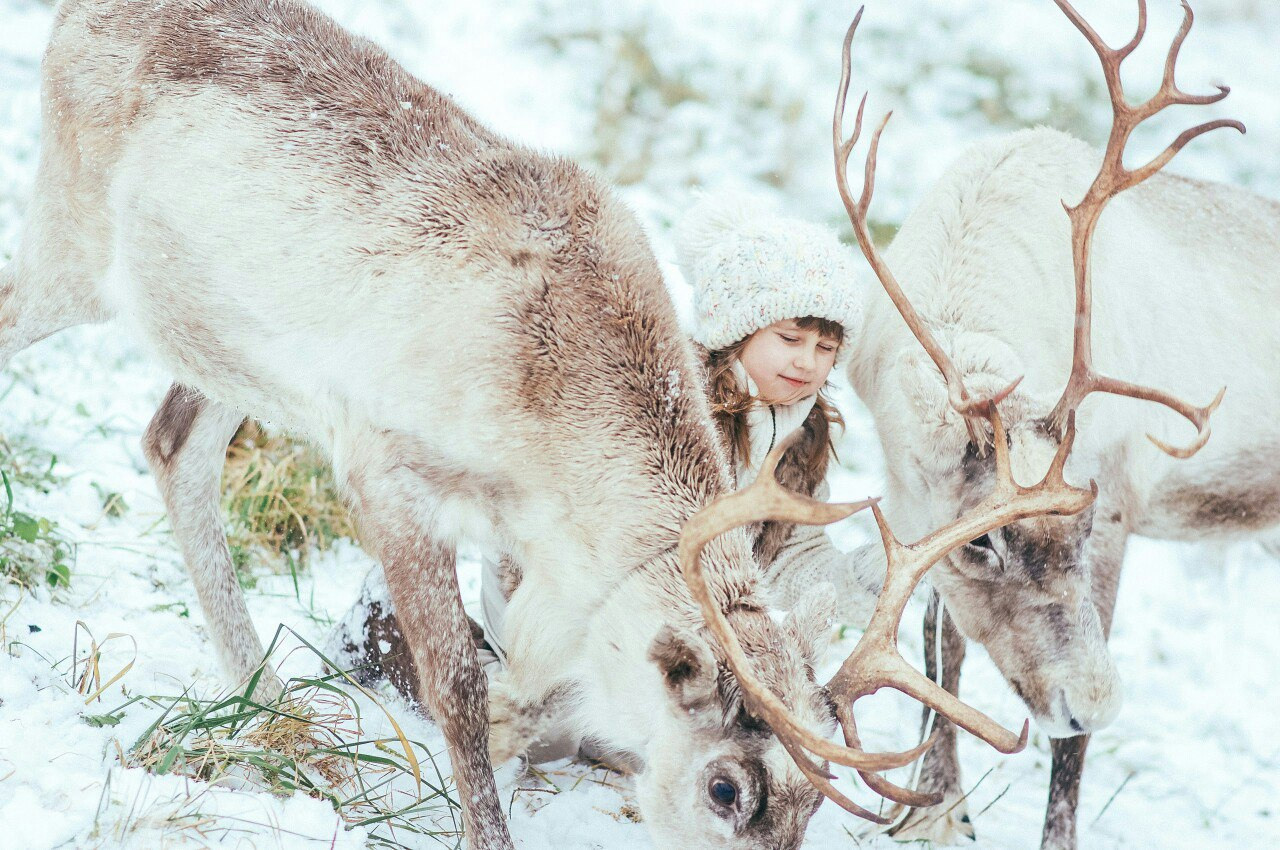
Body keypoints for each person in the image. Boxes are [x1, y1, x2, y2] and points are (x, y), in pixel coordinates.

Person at [328, 193, 883, 742]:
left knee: (667, 733)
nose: (806, 361)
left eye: (825, 347)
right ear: (736, 330)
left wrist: (860, 577)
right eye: (789, 338)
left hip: (677, 631)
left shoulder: (801, 439)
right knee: (536, 734)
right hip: (566, 589)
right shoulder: (668, 400)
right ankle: (393, 629)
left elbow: (787, 556)